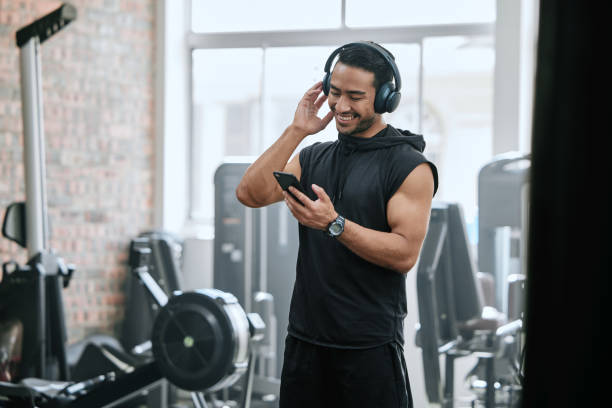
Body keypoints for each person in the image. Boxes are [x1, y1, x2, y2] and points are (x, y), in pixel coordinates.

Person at [236, 41, 438, 408]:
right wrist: (298, 130)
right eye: (335, 92)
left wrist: (335, 224)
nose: (341, 106)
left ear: (385, 98)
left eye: (356, 96)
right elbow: (250, 193)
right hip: (305, 341)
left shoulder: (409, 166)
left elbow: (404, 253)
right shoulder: (314, 155)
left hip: (368, 348)